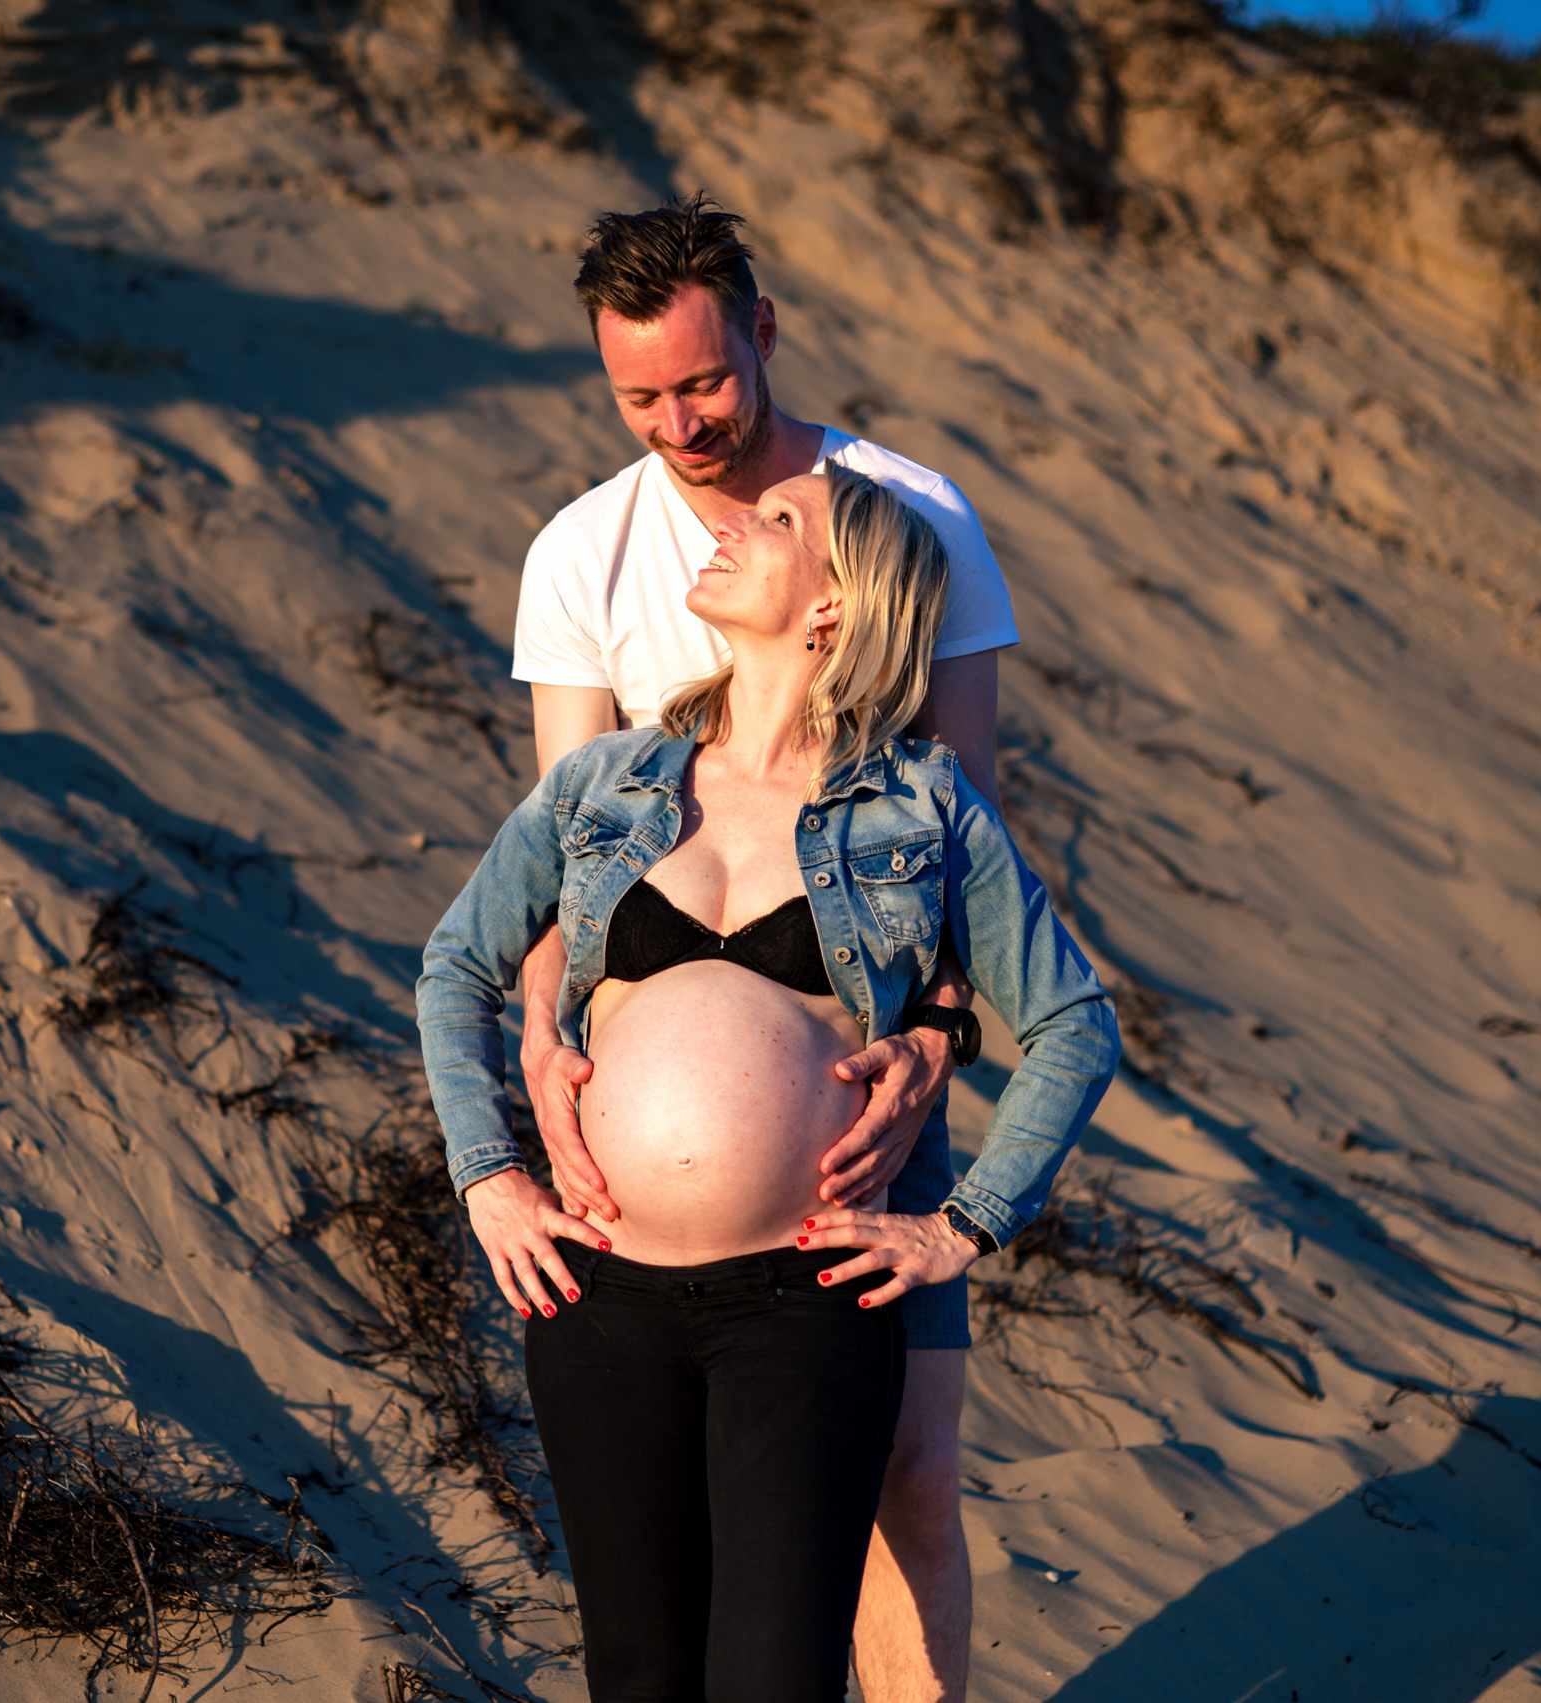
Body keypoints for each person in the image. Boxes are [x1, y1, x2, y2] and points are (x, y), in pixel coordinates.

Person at [420, 465, 1116, 1698]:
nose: (736, 521)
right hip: (599, 1292)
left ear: (834, 610)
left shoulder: (924, 806)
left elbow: (1071, 1022)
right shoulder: (606, 784)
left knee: (773, 1677)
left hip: (804, 1305)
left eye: (780, 520)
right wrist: (488, 1175)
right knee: (640, 1675)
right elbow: (456, 963)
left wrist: (962, 1226)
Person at [508, 194, 1018, 1698]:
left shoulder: (902, 514)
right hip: (631, 1158)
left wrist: (932, 1041)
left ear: (765, 331)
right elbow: (554, 865)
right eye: (641, 396)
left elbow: (968, 820)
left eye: (706, 381)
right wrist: (542, 1047)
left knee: (911, 1482)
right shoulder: (582, 557)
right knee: (684, 1548)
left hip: (865, 1089)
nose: (682, 424)